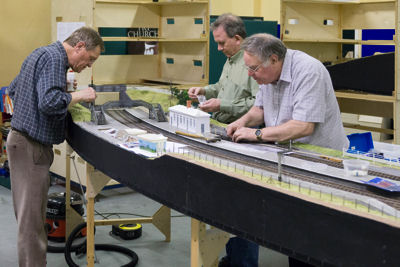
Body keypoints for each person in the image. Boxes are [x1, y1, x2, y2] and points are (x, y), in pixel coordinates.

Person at [226, 33, 349, 267]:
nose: (251, 76)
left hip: (320, 161)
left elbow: (303, 125)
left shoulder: (308, 71)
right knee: (294, 229)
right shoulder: (267, 76)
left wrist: (258, 134)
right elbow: (260, 109)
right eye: (248, 69)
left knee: (311, 234)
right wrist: (241, 123)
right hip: (289, 155)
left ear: (273, 59)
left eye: (254, 69)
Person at [6, 26, 104, 267]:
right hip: (31, 148)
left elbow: (14, 88)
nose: (89, 65)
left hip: (21, 143)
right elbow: (49, 103)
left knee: (29, 220)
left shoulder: (41, 53)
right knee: (32, 226)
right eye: (90, 59)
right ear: (80, 46)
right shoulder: (54, 59)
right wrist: (80, 95)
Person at [188, 13, 259, 124]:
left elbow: (258, 104)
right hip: (221, 124)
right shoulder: (231, 58)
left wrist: (222, 105)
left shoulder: (254, 63)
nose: (219, 48)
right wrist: (204, 91)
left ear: (237, 39)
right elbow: (222, 87)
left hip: (242, 129)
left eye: (222, 43)